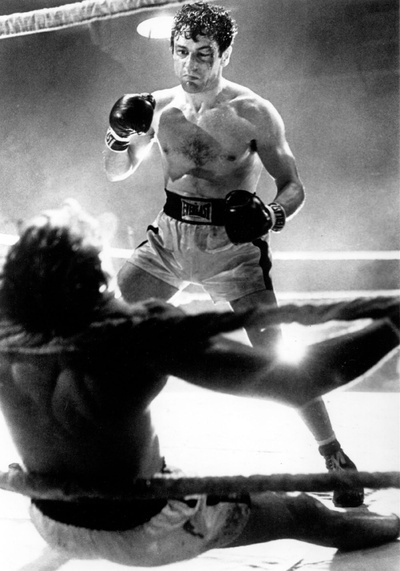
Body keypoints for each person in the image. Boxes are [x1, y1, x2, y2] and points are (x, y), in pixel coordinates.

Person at [0, 201, 399, 566]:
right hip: (145, 530)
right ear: (96, 280)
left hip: (50, 519)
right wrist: (392, 326)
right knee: (301, 511)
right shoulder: (137, 334)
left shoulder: (5, 338)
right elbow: (299, 382)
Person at [104, 1, 363, 507]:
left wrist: (272, 215)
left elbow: (293, 185)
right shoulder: (156, 109)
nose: (191, 64)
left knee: (275, 354)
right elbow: (117, 172)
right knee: (106, 334)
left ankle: (334, 456)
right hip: (169, 239)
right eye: (182, 52)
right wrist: (116, 138)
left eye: (203, 53)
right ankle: (105, 455)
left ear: (224, 55)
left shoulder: (253, 112)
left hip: (232, 245)